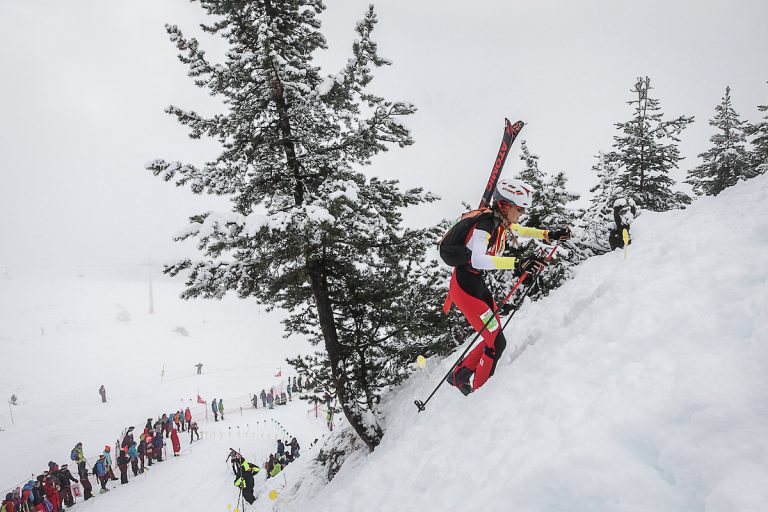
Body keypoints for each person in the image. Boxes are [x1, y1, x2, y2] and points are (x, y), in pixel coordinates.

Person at [441, 178, 571, 395]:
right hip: (465, 288)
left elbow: (521, 230)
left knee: (494, 333)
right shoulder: (485, 226)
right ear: (505, 205)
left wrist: (550, 235)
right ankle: (479, 396)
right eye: (519, 209)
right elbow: (478, 260)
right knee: (496, 343)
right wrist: (518, 263)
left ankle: (459, 375)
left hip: (474, 283)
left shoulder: (499, 221)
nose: (521, 213)